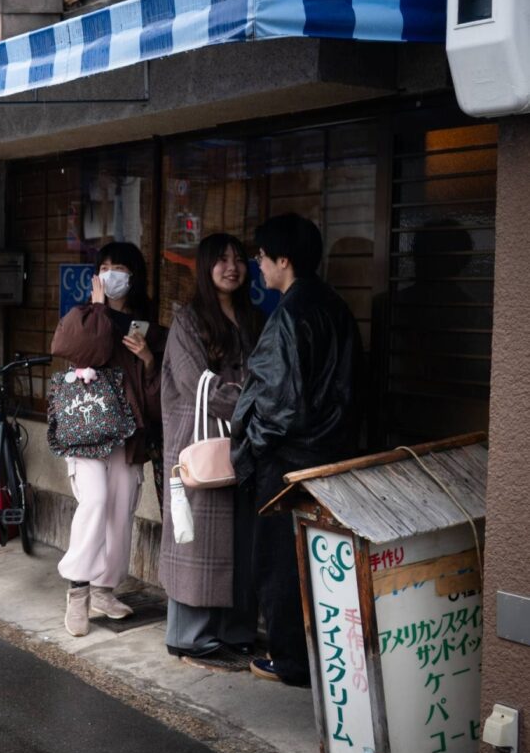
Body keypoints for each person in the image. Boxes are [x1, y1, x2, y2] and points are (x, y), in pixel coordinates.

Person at [231, 213, 362, 686]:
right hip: (334, 454)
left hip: (289, 462)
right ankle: (325, 654)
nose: (257, 266)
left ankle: (290, 660)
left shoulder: (289, 314)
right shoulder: (336, 306)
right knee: (322, 559)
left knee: (281, 562)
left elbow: (278, 405)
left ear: (283, 260)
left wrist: (250, 450)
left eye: (262, 257)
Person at [159, 234, 262, 666]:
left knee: (241, 540)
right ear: (204, 266)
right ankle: (189, 636)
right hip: (197, 446)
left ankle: (236, 633)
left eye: (238, 259)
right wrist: (254, 403)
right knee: (196, 539)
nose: (232, 267)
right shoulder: (188, 319)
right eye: (221, 260)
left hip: (242, 444)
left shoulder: (253, 317)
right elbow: (193, 381)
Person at [51, 242, 164, 637]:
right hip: (88, 428)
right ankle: (78, 590)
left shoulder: (145, 326)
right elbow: (79, 350)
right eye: (105, 267)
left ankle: (103, 589)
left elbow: (155, 397)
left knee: (120, 513)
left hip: (127, 435)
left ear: (135, 276)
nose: (112, 273)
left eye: (121, 267)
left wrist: (148, 359)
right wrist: (99, 309)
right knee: (95, 501)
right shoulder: (84, 315)